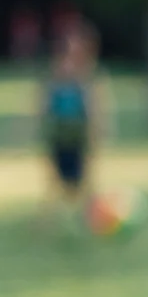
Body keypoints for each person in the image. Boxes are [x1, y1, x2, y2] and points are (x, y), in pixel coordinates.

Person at [42, 20, 105, 213]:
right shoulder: (55, 76)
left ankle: (93, 217)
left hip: (79, 136)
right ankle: (46, 221)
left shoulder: (87, 77)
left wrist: (96, 131)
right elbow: (45, 103)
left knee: (84, 181)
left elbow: (94, 107)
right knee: (56, 181)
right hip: (60, 136)